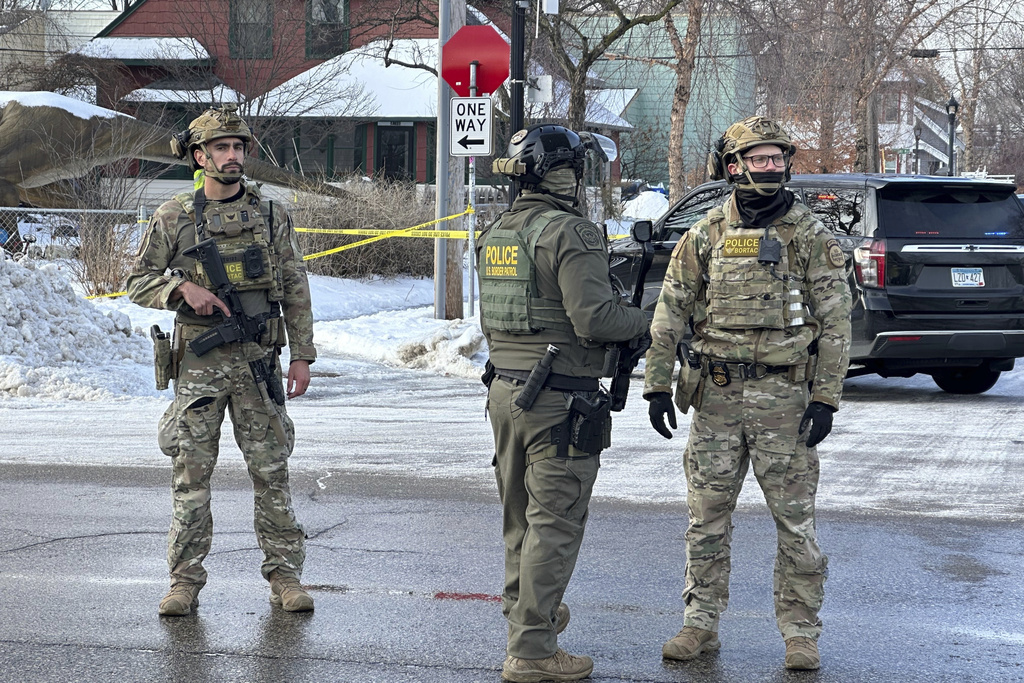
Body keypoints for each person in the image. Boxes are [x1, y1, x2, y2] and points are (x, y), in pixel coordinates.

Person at [643, 116, 852, 670]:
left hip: (785, 401)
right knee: (706, 516)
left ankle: (800, 633)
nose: (769, 166)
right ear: (732, 166)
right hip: (716, 397)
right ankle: (699, 625)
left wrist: (826, 398)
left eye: (776, 157)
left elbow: (835, 325)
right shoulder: (707, 232)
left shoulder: (809, 235)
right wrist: (657, 384)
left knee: (795, 521)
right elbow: (671, 310)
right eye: (756, 158)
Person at [127, 105, 317, 616]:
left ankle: (285, 578)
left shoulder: (272, 214)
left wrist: (302, 355)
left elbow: (295, 286)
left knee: (271, 471)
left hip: (259, 360)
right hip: (200, 366)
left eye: (238, 148)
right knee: (191, 473)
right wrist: (180, 287)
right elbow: (137, 280)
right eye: (221, 148)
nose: (232, 157)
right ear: (199, 155)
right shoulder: (173, 217)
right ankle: (183, 582)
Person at [477, 124, 650, 683]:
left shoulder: (498, 229)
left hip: (506, 392)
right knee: (554, 522)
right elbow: (595, 318)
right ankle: (532, 650)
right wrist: (647, 322)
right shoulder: (569, 232)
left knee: (519, 521)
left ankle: (530, 613)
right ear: (566, 172)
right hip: (559, 400)